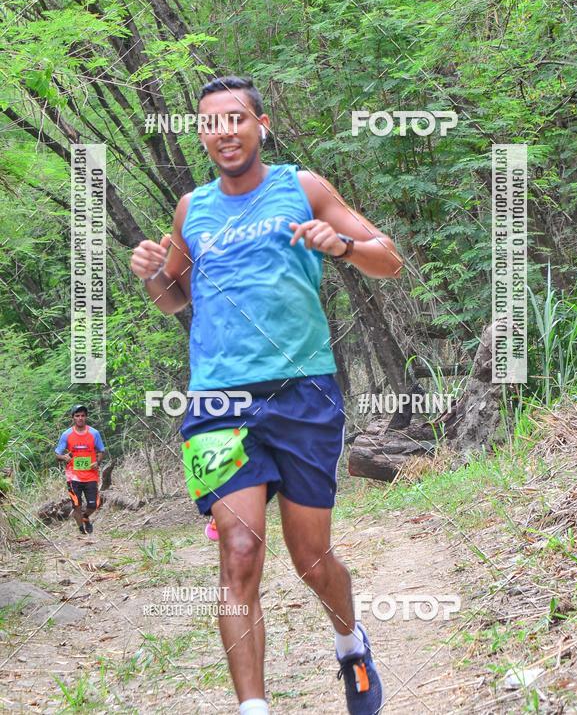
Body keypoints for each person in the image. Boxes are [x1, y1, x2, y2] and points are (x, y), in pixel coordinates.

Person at [130, 75, 403, 715]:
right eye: (210, 123)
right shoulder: (190, 208)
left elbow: (387, 257)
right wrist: (150, 278)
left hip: (304, 391)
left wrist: (339, 244)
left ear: (261, 125)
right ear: (200, 135)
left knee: (311, 559)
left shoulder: (302, 188)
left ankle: (349, 642)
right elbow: (179, 300)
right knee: (240, 549)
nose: (223, 132)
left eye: (235, 119)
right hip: (217, 402)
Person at [55, 405, 105, 535]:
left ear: (86, 417)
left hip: (91, 475)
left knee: (93, 505)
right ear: (72, 418)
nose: (80, 418)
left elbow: (101, 451)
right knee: (76, 504)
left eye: (82, 415)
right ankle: (81, 530)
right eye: (77, 416)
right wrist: (63, 457)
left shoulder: (94, 433)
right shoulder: (66, 434)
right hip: (73, 476)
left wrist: (97, 462)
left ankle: (86, 517)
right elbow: (57, 454)